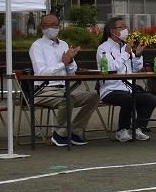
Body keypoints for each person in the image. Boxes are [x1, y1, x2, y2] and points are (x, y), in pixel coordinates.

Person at [28, 14, 101, 146]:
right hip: (43, 91)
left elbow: (72, 72)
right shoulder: (37, 46)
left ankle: (74, 130)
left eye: (55, 25)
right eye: (47, 25)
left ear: (59, 26)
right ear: (42, 28)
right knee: (68, 97)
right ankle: (60, 133)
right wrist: (63, 63)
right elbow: (41, 73)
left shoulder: (64, 44)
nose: (52, 28)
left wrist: (71, 60)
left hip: (63, 89)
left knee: (94, 96)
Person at [96, 16, 156, 142]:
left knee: (150, 99)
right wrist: (126, 53)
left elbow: (135, 69)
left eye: (126, 27)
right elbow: (110, 68)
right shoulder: (103, 48)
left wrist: (138, 55)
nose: (125, 30)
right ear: (112, 31)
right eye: (122, 27)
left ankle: (138, 128)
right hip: (110, 89)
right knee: (128, 99)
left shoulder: (126, 47)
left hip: (128, 88)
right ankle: (122, 130)